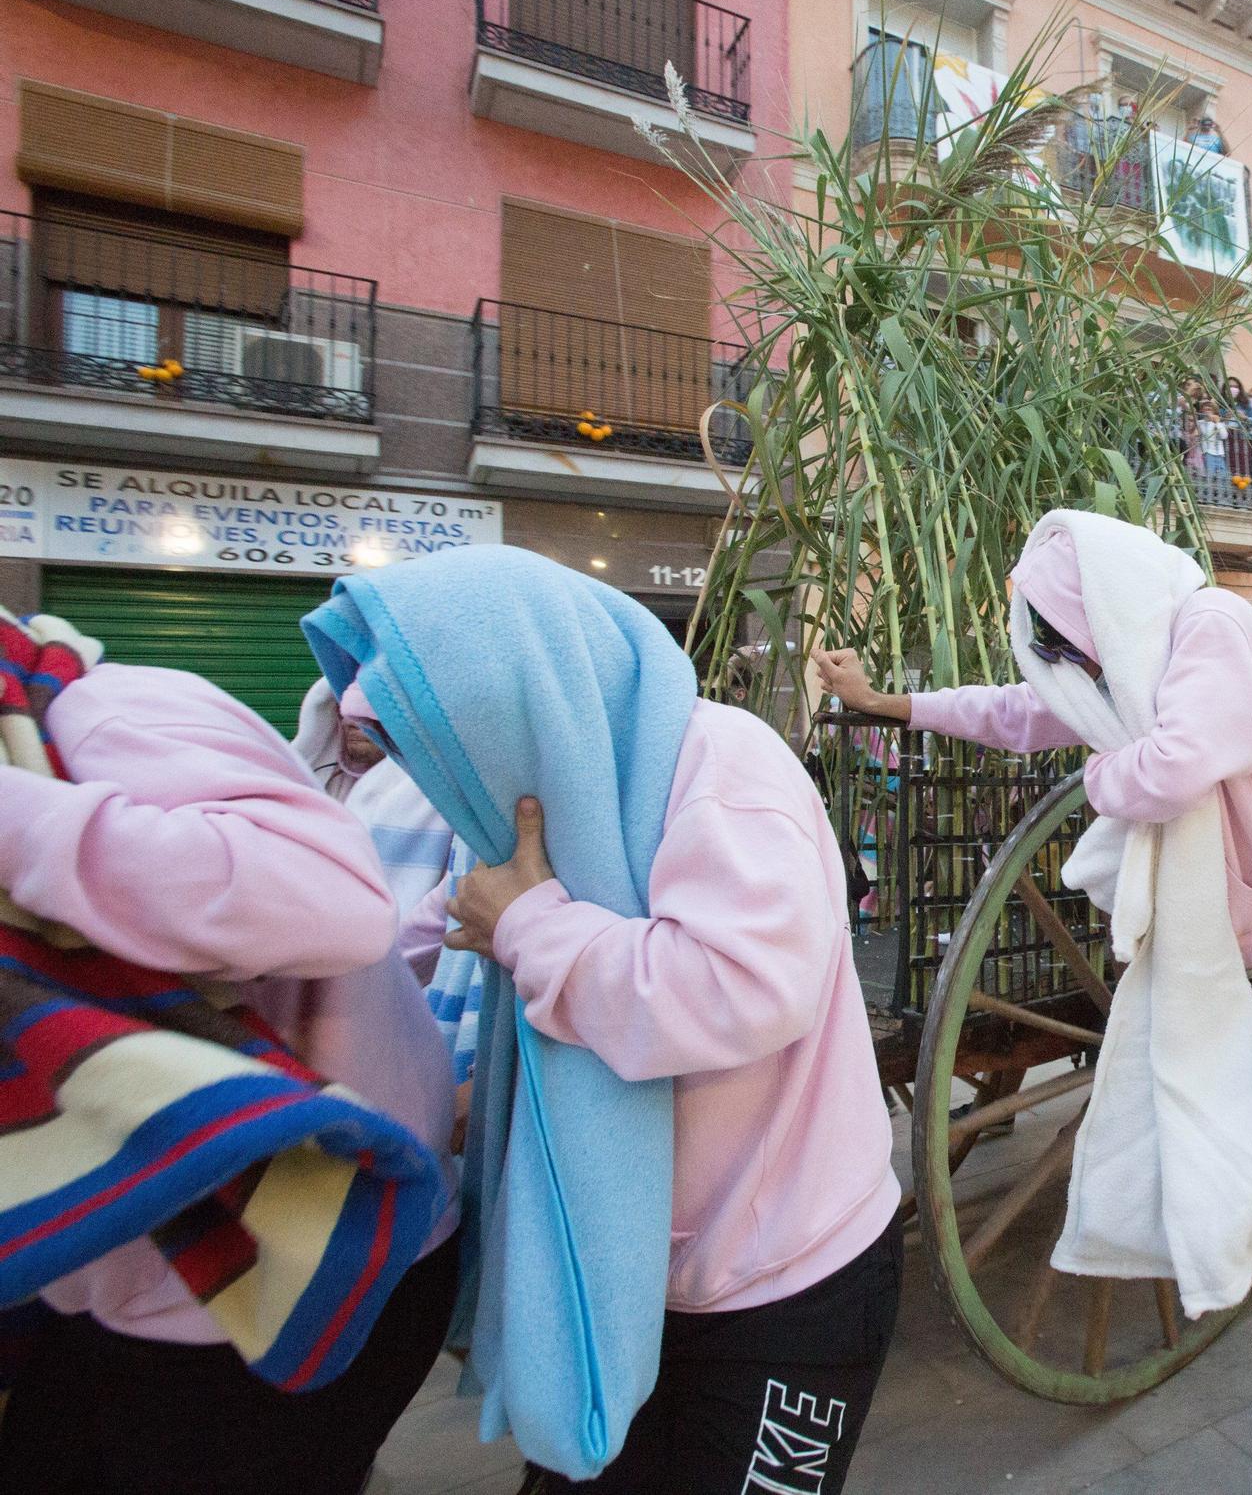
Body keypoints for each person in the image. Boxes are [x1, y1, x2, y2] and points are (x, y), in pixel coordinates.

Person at [816, 512, 1252, 1495]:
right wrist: (886, 702)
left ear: (1101, 602)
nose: (1064, 662)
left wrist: (1100, 777)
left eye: (1064, 633)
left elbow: (1183, 758)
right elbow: (1017, 711)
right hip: (1228, 981)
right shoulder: (1123, 683)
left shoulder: (1211, 625)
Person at [307, 546, 901, 1494]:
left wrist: (531, 928)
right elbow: (431, 927)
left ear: (510, 700)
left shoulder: (719, 766)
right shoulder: (539, 804)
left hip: (783, 1282)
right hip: (629, 1280)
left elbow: (747, 987)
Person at [0, 612, 459, 1495]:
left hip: (294, 1244)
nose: (368, 716)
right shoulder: (340, 775)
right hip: (147, 1256)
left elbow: (340, 906)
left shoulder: (109, 716)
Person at [294, 677, 456, 921]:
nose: (354, 722)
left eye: (372, 711)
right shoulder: (312, 791)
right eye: (346, 709)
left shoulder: (441, 808)